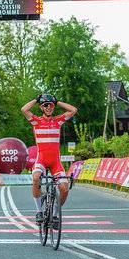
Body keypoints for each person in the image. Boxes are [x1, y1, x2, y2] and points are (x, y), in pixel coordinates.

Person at [21, 94, 77, 229]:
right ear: (41, 107)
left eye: (50, 105)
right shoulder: (36, 121)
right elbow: (24, 110)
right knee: (35, 178)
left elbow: (73, 110)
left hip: (55, 162)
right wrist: (36, 99)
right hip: (41, 159)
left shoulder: (58, 121)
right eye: (45, 105)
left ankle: (55, 215)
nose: (48, 107)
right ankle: (39, 211)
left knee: (64, 188)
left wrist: (57, 101)